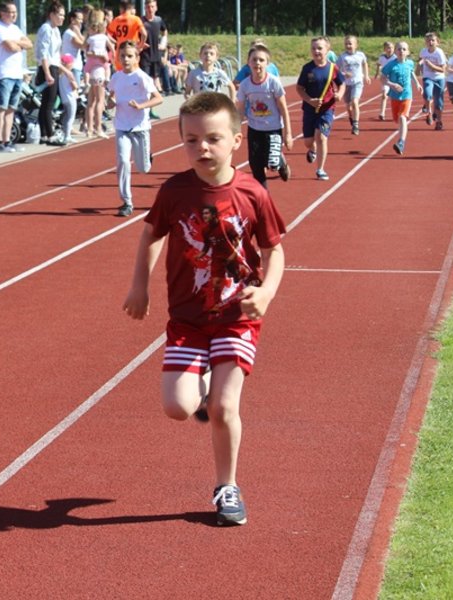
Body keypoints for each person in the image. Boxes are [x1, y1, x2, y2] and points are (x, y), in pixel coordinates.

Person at [123, 91, 285, 527]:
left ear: (236, 140)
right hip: (187, 320)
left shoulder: (253, 193)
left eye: (213, 138)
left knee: (223, 409)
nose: (202, 149)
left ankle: (227, 487)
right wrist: (140, 286)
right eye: (191, 140)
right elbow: (150, 235)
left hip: (237, 317)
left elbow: (274, 252)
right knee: (177, 407)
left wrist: (266, 291)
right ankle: (204, 384)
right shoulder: (174, 191)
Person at [107, 41, 162, 217]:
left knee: (143, 168)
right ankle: (126, 201)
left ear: (137, 58)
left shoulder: (142, 77)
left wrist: (141, 106)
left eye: (129, 56)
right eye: (122, 56)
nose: (125, 59)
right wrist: (110, 103)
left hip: (140, 127)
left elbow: (158, 98)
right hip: (122, 126)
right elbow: (110, 99)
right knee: (123, 161)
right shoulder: (116, 77)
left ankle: (148, 156)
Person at [236, 44, 293, 188]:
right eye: (254, 60)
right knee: (256, 166)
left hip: (273, 129)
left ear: (267, 63)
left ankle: (281, 163)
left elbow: (284, 109)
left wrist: (288, 134)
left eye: (261, 60)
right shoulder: (244, 85)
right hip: (254, 129)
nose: (257, 63)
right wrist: (235, 130)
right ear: (248, 63)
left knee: (272, 163)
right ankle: (263, 197)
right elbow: (240, 111)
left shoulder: (273, 82)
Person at [295, 36, 344, 181]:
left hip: (327, 109)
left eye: (320, 48)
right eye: (313, 48)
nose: (316, 51)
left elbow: (341, 83)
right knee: (308, 141)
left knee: (322, 137)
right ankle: (312, 149)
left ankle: (320, 169)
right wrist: (310, 100)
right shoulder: (307, 68)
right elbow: (299, 88)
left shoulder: (333, 68)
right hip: (310, 109)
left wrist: (339, 94)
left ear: (327, 50)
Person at [0, 1, 33, 152]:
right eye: (11, 12)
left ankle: (7, 140)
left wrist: (18, 43)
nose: (14, 15)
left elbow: (29, 44)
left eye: (15, 12)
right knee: (2, 108)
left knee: (11, 109)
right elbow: (11, 47)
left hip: (16, 73)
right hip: (4, 73)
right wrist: (18, 44)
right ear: (3, 13)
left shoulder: (15, 28)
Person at [35, 2, 69, 146]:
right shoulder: (47, 29)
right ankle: (50, 134)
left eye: (63, 15)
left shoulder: (55, 30)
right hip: (47, 68)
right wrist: (48, 73)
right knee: (49, 102)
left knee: (47, 102)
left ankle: (44, 134)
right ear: (52, 15)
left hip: (53, 66)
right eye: (60, 15)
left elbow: (55, 53)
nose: (62, 18)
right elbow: (43, 53)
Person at [381, 41, 421, 155]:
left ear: (407, 52)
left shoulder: (410, 63)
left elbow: (411, 72)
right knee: (396, 119)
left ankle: (401, 142)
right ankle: (401, 140)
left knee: (403, 117)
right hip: (394, 96)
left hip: (407, 95)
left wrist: (417, 83)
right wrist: (392, 85)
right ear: (395, 51)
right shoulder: (390, 65)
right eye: (399, 49)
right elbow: (382, 78)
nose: (401, 51)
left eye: (404, 49)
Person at [83, 16, 112, 138]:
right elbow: (112, 49)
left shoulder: (90, 39)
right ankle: (98, 127)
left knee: (91, 102)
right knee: (100, 101)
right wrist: (107, 56)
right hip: (100, 71)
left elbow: (85, 50)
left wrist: (92, 53)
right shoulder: (104, 38)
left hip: (91, 71)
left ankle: (89, 129)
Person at [337, 35, 370, 136]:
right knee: (348, 107)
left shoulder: (361, 55)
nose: (348, 45)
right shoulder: (342, 57)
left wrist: (366, 76)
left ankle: (356, 125)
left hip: (357, 82)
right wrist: (344, 74)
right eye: (346, 43)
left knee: (355, 102)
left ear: (356, 45)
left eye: (350, 43)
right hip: (346, 84)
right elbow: (336, 69)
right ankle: (351, 117)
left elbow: (365, 64)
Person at [417, 32, 447, 131]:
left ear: (437, 42)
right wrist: (418, 68)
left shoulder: (439, 53)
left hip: (439, 78)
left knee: (438, 103)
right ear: (425, 42)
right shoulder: (423, 51)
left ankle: (439, 121)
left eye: (433, 40)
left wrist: (431, 66)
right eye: (428, 40)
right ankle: (429, 113)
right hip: (428, 77)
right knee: (427, 94)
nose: (430, 42)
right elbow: (420, 61)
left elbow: (443, 69)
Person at [106, 1, 146, 73]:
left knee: (121, 75)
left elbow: (107, 33)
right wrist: (140, 46)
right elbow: (144, 34)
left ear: (121, 8)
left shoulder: (116, 20)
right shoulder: (135, 19)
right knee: (133, 74)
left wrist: (115, 42)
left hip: (120, 52)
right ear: (130, 8)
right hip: (131, 51)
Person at [373, 41, 396, 121]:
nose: (390, 49)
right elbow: (379, 64)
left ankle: (396, 112)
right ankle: (382, 113)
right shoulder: (382, 57)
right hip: (385, 78)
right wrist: (376, 73)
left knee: (395, 97)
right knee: (384, 95)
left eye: (392, 48)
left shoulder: (395, 57)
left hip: (394, 79)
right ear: (384, 49)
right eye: (388, 48)